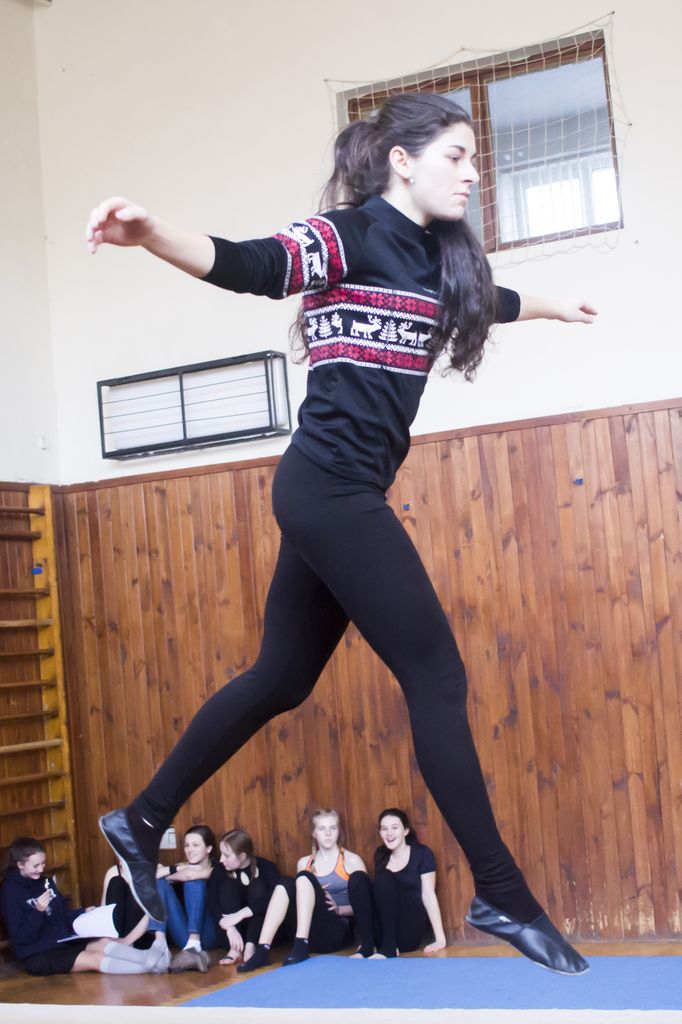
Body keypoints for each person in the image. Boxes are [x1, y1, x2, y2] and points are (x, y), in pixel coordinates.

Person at [87, 91, 595, 975]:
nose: (473, 174)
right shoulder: (348, 236)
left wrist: (555, 305)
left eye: (475, 160)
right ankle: (502, 893)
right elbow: (251, 263)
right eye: (456, 156)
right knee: (437, 675)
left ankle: (141, 817)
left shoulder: (439, 262)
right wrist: (153, 231)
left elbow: (491, 300)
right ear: (403, 159)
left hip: (336, 493)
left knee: (281, 677)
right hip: (329, 490)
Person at [0, 837, 169, 975]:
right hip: (37, 953)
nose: (41, 869)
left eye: (43, 864)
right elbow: (21, 938)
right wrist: (38, 911)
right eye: (36, 866)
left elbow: (62, 913)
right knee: (94, 959)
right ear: (20, 865)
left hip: (61, 940)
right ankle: (149, 968)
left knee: (103, 943)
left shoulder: (44, 881)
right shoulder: (10, 891)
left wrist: (83, 912)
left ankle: (149, 958)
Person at [236, 808, 374, 973]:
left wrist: (339, 909)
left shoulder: (351, 860)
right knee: (287, 881)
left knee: (303, 876)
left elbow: (365, 905)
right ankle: (262, 950)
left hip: (335, 933)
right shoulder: (304, 863)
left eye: (333, 828)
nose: (328, 834)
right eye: (322, 829)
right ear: (314, 833)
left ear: (339, 831)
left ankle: (301, 944)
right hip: (307, 933)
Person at [370, 808, 446, 958]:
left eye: (394, 827)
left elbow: (428, 895)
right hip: (384, 933)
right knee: (372, 881)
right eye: (384, 829)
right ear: (380, 833)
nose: (389, 833)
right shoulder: (380, 854)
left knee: (384, 878)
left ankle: (389, 948)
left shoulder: (422, 854)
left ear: (405, 830)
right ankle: (375, 944)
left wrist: (440, 939)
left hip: (408, 931)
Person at [208, 827, 281, 966]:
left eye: (227, 855)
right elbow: (212, 901)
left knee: (258, 885)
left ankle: (250, 946)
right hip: (231, 932)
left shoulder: (266, 867)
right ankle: (235, 949)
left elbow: (274, 899)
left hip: (261, 931)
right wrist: (229, 926)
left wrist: (241, 914)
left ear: (242, 856)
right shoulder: (219, 870)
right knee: (228, 886)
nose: (221, 859)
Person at [154, 824, 221, 972]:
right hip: (185, 935)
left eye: (195, 845)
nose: (190, 849)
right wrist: (177, 869)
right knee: (159, 882)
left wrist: (174, 875)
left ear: (208, 848)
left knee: (194, 882)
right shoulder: (183, 867)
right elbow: (153, 876)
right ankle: (160, 943)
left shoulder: (219, 868)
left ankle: (194, 945)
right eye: (187, 845)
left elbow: (192, 875)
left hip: (210, 933)